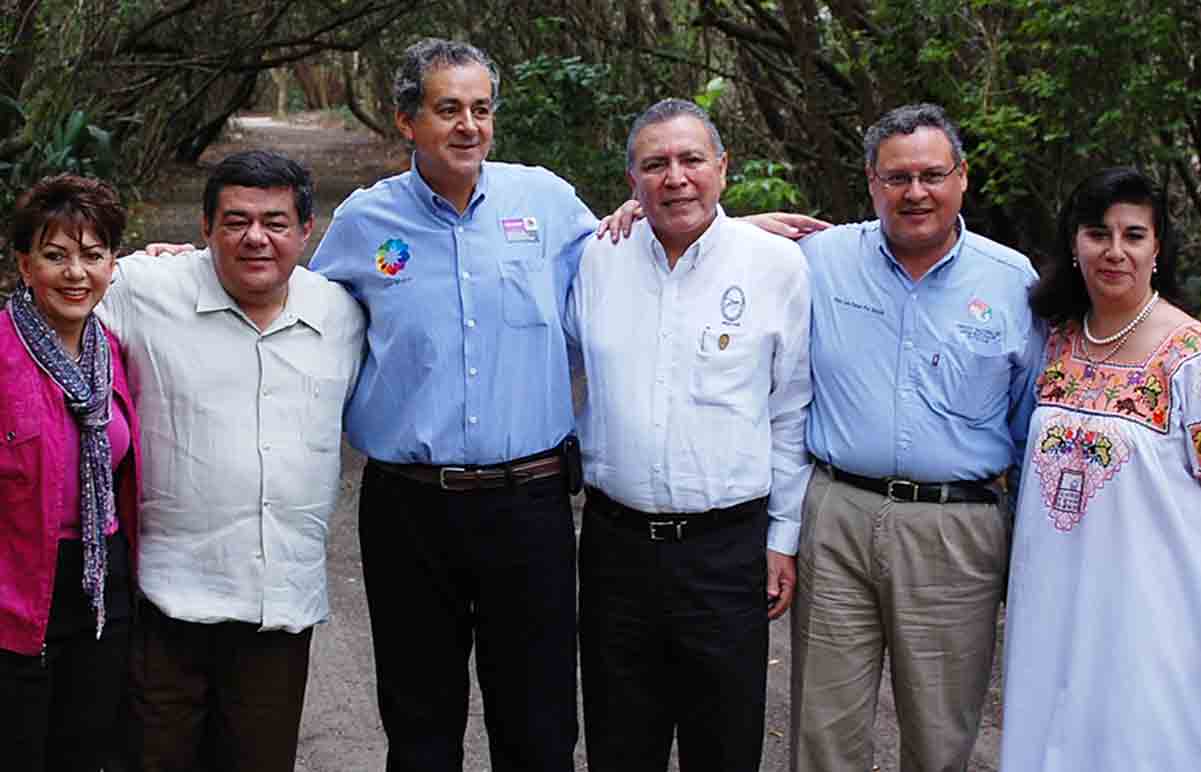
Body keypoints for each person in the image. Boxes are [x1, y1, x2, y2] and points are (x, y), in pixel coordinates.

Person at [308, 38, 594, 772]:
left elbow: (636, 266)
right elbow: (294, 312)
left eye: (481, 109)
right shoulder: (365, 223)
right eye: (448, 109)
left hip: (528, 504)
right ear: (407, 121)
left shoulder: (547, 203)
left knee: (538, 727)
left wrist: (725, 231)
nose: (469, 126)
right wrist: (183, 266)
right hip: (409, 508)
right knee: (419, 725)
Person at [790, 102, 1042, 772]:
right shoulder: (820, 259)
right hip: (837, 515)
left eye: (932, 175)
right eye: (897, 177)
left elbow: (1031, 426)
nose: (915, 192)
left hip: (955, 528)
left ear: (962, 178)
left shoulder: (1012, 281)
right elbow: (715, 248)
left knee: (939, 734)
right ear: (871, 182)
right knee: (823, 729)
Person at [96, 150, 366, 772]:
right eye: (236, 221)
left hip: (279, 607)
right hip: (165, 602)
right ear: (205, 229)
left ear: (306, 231)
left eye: (275, 222)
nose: (255, 238)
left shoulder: (342, 314)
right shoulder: (144, 289)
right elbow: (56, 301)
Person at [566, 98, 810, 772]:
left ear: (722, 168)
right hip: (615, 550)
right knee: (620, 745)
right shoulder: (594, 258)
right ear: (632, 181)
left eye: (691, 160)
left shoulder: (776, 266)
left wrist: (782, 538)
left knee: (724, 746)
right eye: (655, 165)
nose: (674, 177)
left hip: (725, 552)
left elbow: (791, 411)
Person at [1001, 167, 1201, 770]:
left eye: (1133, 235)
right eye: (1098, 233)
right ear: (1074, 244)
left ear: (1158, 248)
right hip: (1049, 601)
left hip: (1151, 612)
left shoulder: (1189, 357)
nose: (1115, 251)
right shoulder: (1055, 341)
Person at [0, 174, 142, 771]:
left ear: (113, 265)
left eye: (92, 255)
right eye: (55, 256)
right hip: (17, 590)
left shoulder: (112, 350)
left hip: (102, 584)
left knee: (87, 751)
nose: (76, 273)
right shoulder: (4, 353)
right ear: (25, 265)